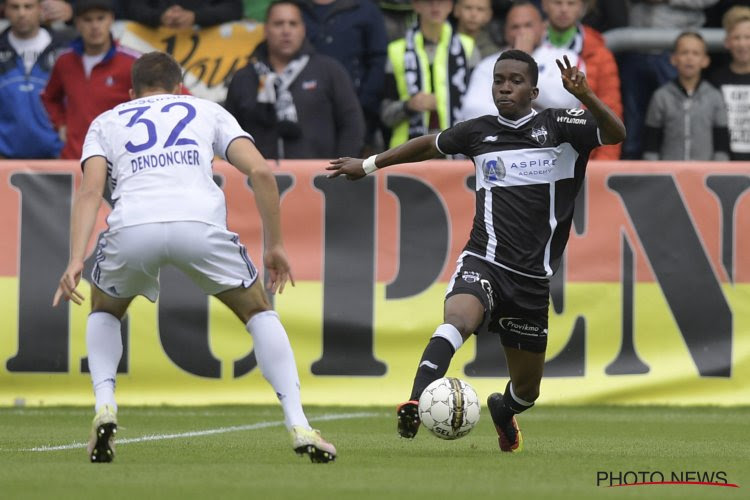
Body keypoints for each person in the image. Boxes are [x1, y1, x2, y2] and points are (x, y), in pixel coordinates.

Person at [327, 49, 625, 452]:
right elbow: (427, 145)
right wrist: (368, 165)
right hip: (484, 260)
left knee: (526, 391)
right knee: (458, 318)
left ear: (533, 90)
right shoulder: (477, 132)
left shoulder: (561, 126)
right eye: (499, 79)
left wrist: (586, 96)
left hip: (532, 280)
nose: (505, 86)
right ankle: (416, 399)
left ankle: (504, 411)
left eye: (515, 80)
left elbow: (616, 133)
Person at [51, 51, 337, 464]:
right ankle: (298, 423)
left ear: (132, 92)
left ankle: (105, 405)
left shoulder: (108, 121)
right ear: (180, 87)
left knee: (106, 310)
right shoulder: (206, 110)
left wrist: (76, 257)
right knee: (258, 311)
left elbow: (91, 192)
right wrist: (274, 244)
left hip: (133, 226)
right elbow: (260, 173)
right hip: (199, 225)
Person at [225, 0, 365, 159]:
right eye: (278, 24)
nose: (286, 31)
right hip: (257, 180)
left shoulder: (329, 70)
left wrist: (340, 174)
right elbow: (229, 135)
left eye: (293, 24)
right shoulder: (243, 78)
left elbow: (352, 125)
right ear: (265, 30)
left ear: (303, 30)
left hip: (318, 179)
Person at [618, 0, 719, 159]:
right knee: (631, 127)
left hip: (675, 47)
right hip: (634, 45)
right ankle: (631, 178)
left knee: (682, 123)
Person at [41, 0, 139, 160]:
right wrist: (60, 124)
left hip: (117, 161)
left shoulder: (132, 62)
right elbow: (49, 97)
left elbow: (161, 96)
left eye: (100, 18)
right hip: (74, 157)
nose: (95, 26)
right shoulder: (64, 61)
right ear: (77, 23)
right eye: (88, 20)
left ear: (111, 20)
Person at [380, 0, 479, 149]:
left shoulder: (468, 48)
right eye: (428, 1)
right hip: (407, 153)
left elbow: (480, 108)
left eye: (441, 1)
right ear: (416, 5)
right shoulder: (396, 51)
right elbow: (385, 114)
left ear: (451, 6)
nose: (435, 6)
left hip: (458, 150)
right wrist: (408, 105)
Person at [460, 0, 580, 120]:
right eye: (515, 27)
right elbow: (472, 110)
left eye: (528, 25)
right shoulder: (487, 64)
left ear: (543, 28)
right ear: (506, 32)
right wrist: (528, 105)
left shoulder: (566, 57)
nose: (522, 32)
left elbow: (565, 103)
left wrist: (523, 63)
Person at [298, 0, 388, 154]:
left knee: (348, 172)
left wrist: (361, 107)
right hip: (302, 116)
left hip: (358, 114)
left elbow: (378, 62)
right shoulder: (293, 8)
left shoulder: (366, 9)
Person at [643, 31, 729, 161]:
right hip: (670, 175)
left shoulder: (715, 96)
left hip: (703, 176)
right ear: (673, 59)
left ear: (705, 61)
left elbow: (721, 145)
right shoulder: (661, 96)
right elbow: (651, 144)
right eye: (684, 52)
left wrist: (717, 174)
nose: (690, 58)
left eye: (696, 53)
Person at [0, 0, 67, 159]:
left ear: (40, 9)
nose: (22, 13)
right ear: (5, 10)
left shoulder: (65, 49)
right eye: (15, 7)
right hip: (4, 159)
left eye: (28, 6)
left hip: (58, 157)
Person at [708, 5, 750, 161]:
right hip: (725, 167)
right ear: (727, 42)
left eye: (747, 37)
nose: (742, 44)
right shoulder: (714, 79)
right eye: (737, 38)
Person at [124, 0, 243, 29]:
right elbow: (133, 7)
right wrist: (160, 17)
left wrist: (196, 17)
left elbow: (234, 8)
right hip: (151, 52)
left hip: (206, 57)